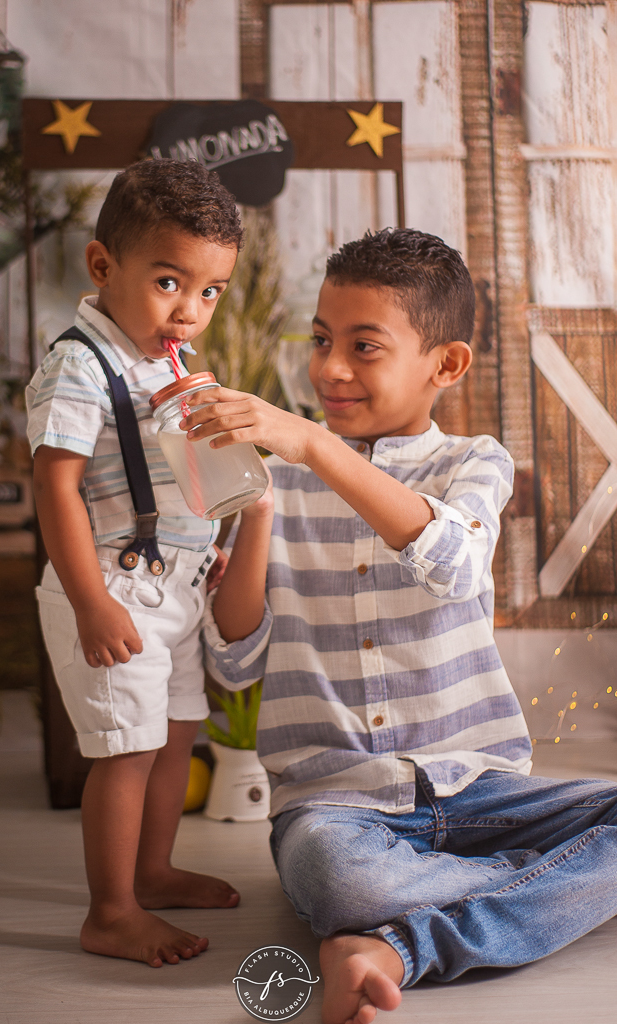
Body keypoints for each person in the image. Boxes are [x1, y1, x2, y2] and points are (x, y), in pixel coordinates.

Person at [189, 228, 617, 1024]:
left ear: (445, 365)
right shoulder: (275, 470)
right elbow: (235, 662)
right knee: (348, 883)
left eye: (363, 346)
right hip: (336, 806)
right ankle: (539, 884)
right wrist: (259, 512)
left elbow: (453, 566)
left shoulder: (472, 461)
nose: (330, 369)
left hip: (479, 788)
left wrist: (314, 446)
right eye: (322, 340)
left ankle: (391, 948)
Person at [26, 159, 242, 969]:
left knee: (176, 730)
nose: (189, 310)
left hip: (175, 587)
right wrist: (90, 602)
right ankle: (110, 910)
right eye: (167, 283)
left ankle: (152, 869)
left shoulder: (169, 361)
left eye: (210, 291)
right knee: (125, 749)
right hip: (112, 584)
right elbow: (56, 485)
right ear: (103, 266)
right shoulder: (80, 365)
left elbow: (182, 470)